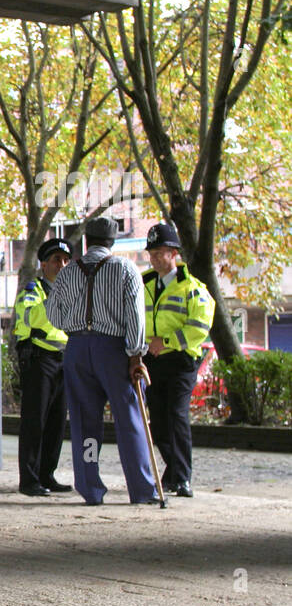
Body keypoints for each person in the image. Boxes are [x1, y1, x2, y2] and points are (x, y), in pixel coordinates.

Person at [45, 216, 159, 505]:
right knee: (130, 420)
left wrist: (76, 328)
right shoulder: (126, 269)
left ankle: (90, 487)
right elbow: (135, 315)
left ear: (87, 240)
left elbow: (54, 315)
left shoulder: (68, 273)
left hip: (77, 350)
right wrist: (135, 354)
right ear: (112, 241)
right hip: (115, 352)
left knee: (85, 424)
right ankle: (142, 489)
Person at [142, 222, 215, 497]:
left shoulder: (193, 288)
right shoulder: (144, 283)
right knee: (159, 421)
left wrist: (167, 342)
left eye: (160, 252)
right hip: (151, 360)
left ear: (174, 253)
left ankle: (182, 478)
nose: (155, 258)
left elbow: (199, 327)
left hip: (180, 361)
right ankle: (173, 472)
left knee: (176, 416)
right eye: (151, 253)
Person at [13, 237, 73, 496]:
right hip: (39, 359)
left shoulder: (71, 292)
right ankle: (29, 480)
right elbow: (33, 317)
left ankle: (47, 475)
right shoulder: (32, 289)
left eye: (65, 260)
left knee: (57, 422)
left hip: (64, 361)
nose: (62, 265)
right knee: (34, 422)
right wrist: (56, 301)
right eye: (56, 260)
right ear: (44, 265)